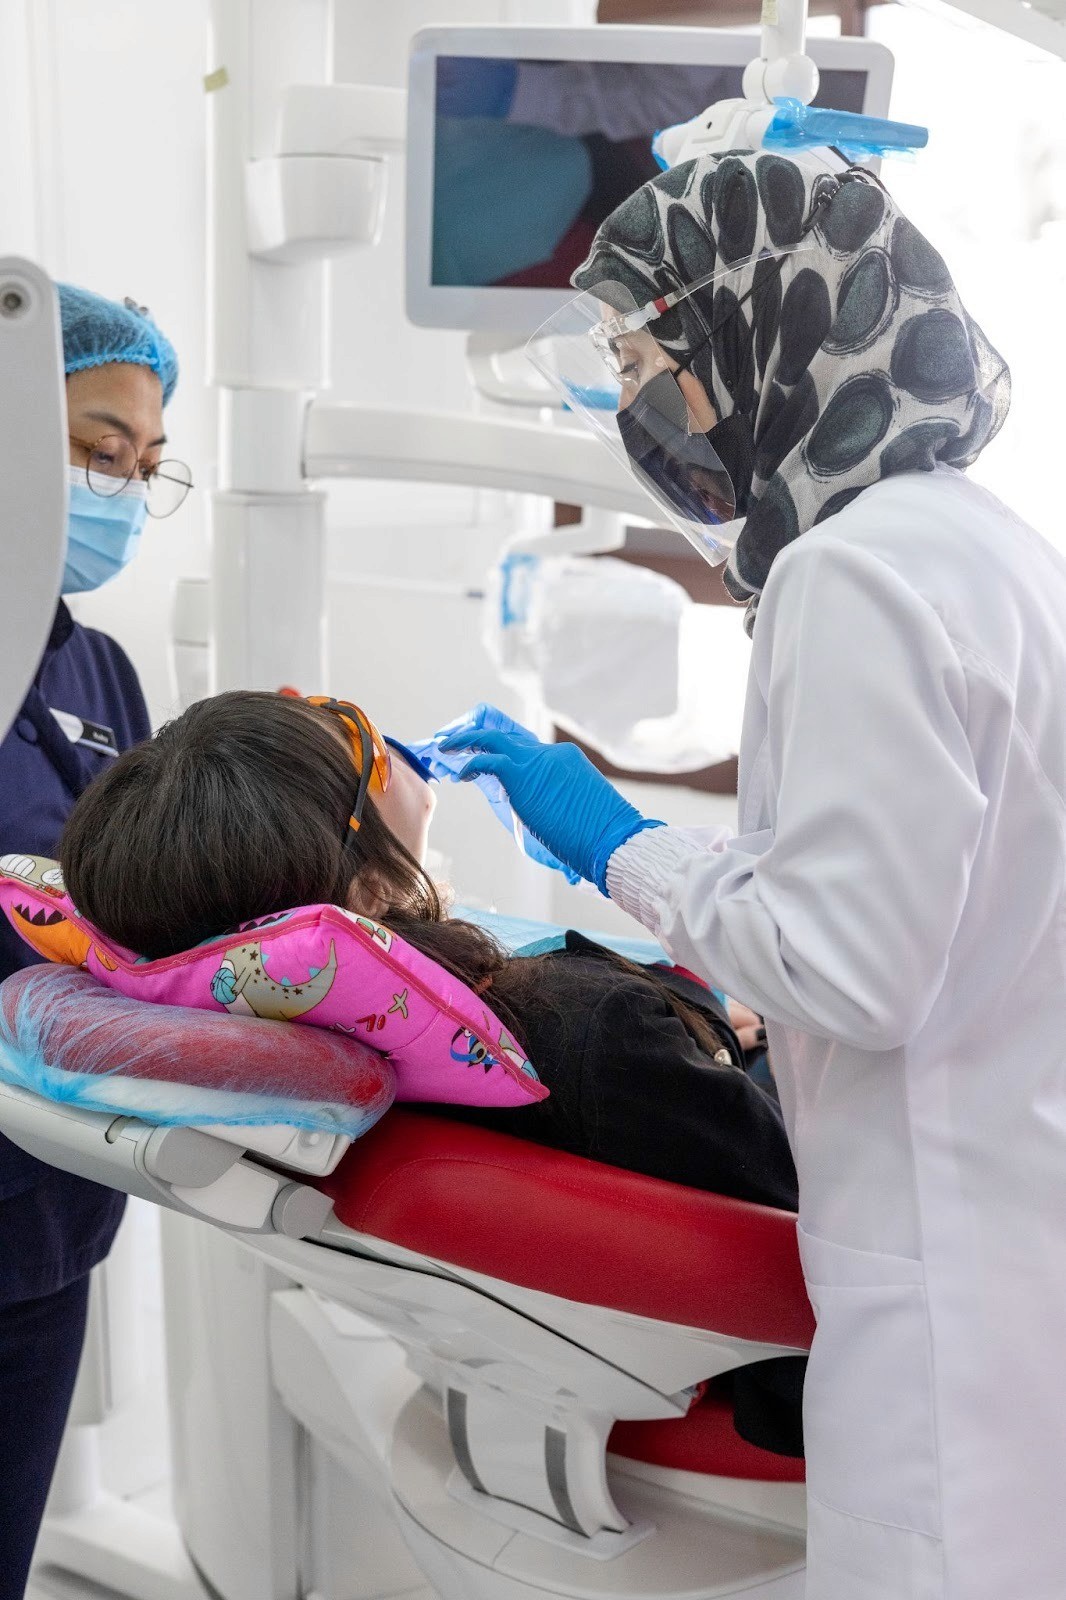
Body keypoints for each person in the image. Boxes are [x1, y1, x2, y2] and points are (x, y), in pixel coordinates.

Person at [436, 150, 1066, 1599]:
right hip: (1013, 1214)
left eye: (643, 355)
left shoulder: (848, 575)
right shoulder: (993, 554)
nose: (637, 402)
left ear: (758, 325)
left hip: (942, 1264)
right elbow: (929, 885)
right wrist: (692, 862)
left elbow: (849, 967)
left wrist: (617, 845)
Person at [55, 688, 804, 1456]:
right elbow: (810, 1206)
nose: (382, 733)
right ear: (368, 893)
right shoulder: (594, 1030)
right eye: (360, 744)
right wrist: (704, 1007)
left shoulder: (324, 1027)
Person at [0, 284, 186, 1600]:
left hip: (48, 1208)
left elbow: (156, 897)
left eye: (144, 468)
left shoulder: (97, 671)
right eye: (95, 448)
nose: (119, 489)